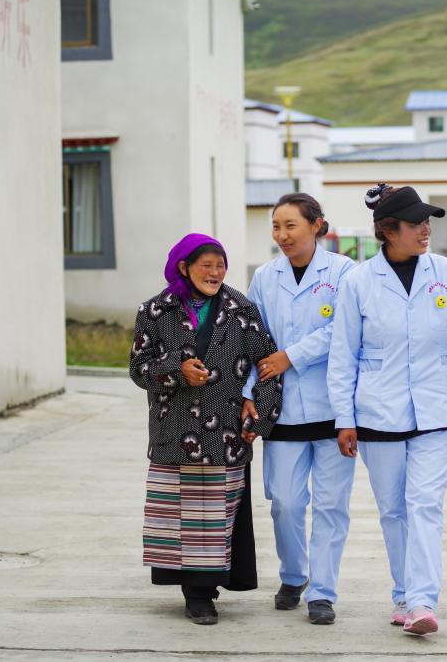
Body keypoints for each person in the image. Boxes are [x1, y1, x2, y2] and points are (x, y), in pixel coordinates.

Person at [327, 183, 447, 636]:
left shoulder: (446, 273)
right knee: (393, 510)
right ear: (388, 230)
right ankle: (404, 593)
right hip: (377, 411)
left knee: (424, 504)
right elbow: (343, 354)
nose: (426, 230)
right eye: (416, 223)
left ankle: (423, 601)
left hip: (435, 409)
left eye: (427, 222)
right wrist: (344, 418)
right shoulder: (359, 282)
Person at [129, 233, 282, 625]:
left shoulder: (241, 309)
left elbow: (268, 364)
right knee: (180, 517)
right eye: (206, 265)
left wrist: (259, 415)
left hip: (224, 432)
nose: (215, 273)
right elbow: (138, 369)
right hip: (173, 429)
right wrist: (176, 371)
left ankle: (203, 593)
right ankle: (194, 594)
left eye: (221, 265)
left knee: (214, 517)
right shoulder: (155, 311)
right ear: (184, 267)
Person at [242, 193, 356, 625]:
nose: (282, 235)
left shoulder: (344, 272)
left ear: (316, 225)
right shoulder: (264, 277)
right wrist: (249, 393)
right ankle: (294, 575)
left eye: (291, 225)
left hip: (333, 408)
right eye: (276, 226)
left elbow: (344, 330)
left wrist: (291, 356)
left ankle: (322, 592)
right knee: (285, 503)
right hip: (282, 409)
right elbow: (252, 340)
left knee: (330, 506)